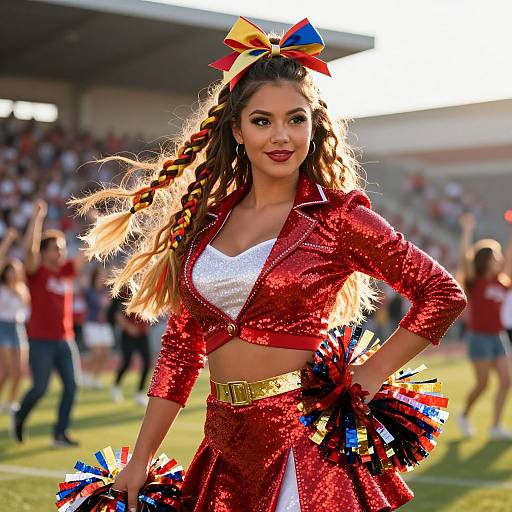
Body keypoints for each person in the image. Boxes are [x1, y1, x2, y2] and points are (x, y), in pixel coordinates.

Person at [72, 17, 467, 512]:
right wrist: (142, 458)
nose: (281, 136)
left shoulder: (338, 217)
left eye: (295, 119)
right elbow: (178, 355)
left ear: (313, 125)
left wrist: (370, 373)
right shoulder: (204, 225)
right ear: (236, 130)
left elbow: (443, 293)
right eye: (262, 121)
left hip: (305, 444)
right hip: (223, 449)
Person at [12, 199, 86, 447]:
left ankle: (59, 433)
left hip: (65, 339)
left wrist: (99, 225)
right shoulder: (36, 272)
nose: (61, 252)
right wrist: (37, 219)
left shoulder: (65, 270)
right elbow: (29, 251)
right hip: (40, 339)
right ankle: (20, 416)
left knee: (72, 386)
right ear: (44, 252)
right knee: (40, 387)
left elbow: (87, 253)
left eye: (63, 248)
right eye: (56, 248)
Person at [456, 212, 512, 439]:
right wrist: (467, 230)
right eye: (496, 256)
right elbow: (464, 259)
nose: (500, 259)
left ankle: (496, 426)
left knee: (506, 381)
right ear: (487, 259)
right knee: (482, 384)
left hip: (498, 336)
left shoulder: (503, 282)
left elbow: (509, 257)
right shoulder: (475, 282)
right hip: (478, 337)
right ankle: (465, 414)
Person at [0, 228, 30, 413]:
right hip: (3, 327)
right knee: (7, 371)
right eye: (8, 271)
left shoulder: (22, 288)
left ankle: (11, 402)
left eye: (14, 271)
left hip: (18, 328)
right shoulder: (1, 288)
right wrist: (8, 241)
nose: (12, 274)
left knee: (19, 372)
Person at [109, 287, 151, 407]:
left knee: (147, 362)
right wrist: (128, 327)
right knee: (127, 361)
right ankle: (116, 385)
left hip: (143, 332)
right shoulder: (125, 291)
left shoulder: (147, 288)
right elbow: (117, 314)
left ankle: (139, 392)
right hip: (128, 333)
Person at [81, 265, 115, 389]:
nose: (102, 278)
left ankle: (96, 378)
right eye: (100, 276)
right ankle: (84, 372)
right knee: (96, 353)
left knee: (106, 353)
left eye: (104, 276)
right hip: (92, 324)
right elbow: (93, 303)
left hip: (104, 325)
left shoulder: (106, 291)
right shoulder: (89, 291)